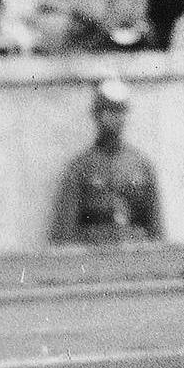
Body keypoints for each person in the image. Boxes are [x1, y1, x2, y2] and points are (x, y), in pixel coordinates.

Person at [51, 78, 160, 244]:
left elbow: (156, 231)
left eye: (120, 112)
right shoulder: (80, 167)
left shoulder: (141, 166)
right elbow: (64, 233)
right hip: (93, 250)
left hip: (134, 250)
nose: (115, 119)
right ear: (97, 115)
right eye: (109, 111)